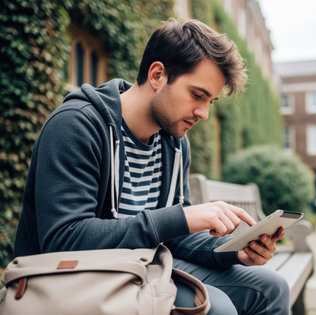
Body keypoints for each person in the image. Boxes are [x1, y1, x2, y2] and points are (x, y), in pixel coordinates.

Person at [13, 19, 290, 314]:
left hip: (144, 267)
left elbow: (175, 237)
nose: (204, 113)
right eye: (197, 95)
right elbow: (65, 239)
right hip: (70, 277)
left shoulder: (174, 140)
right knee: (217, 307)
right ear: (157, 75)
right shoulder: (76, 124)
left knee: (271, 289)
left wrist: (234, 250)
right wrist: (179, 217)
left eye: (211, 101)